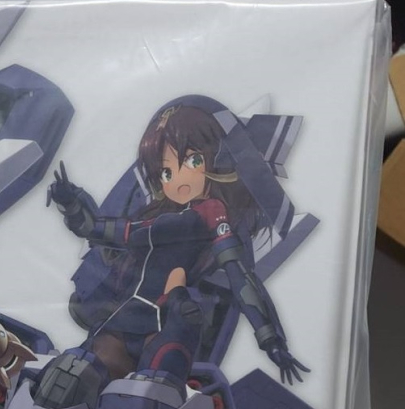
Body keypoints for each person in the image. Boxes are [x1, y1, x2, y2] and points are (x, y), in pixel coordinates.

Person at [48, 102, 308, 385]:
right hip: (125, 320)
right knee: (70, 381)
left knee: (150, 395)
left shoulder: (212, 215)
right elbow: (101, 230)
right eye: (166, 172)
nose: (178, 181)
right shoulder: (155, 221)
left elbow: (241, 279)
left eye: (193, 161)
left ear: (218, 160)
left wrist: (270, 338)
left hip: (169, 329)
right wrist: (71, 204)